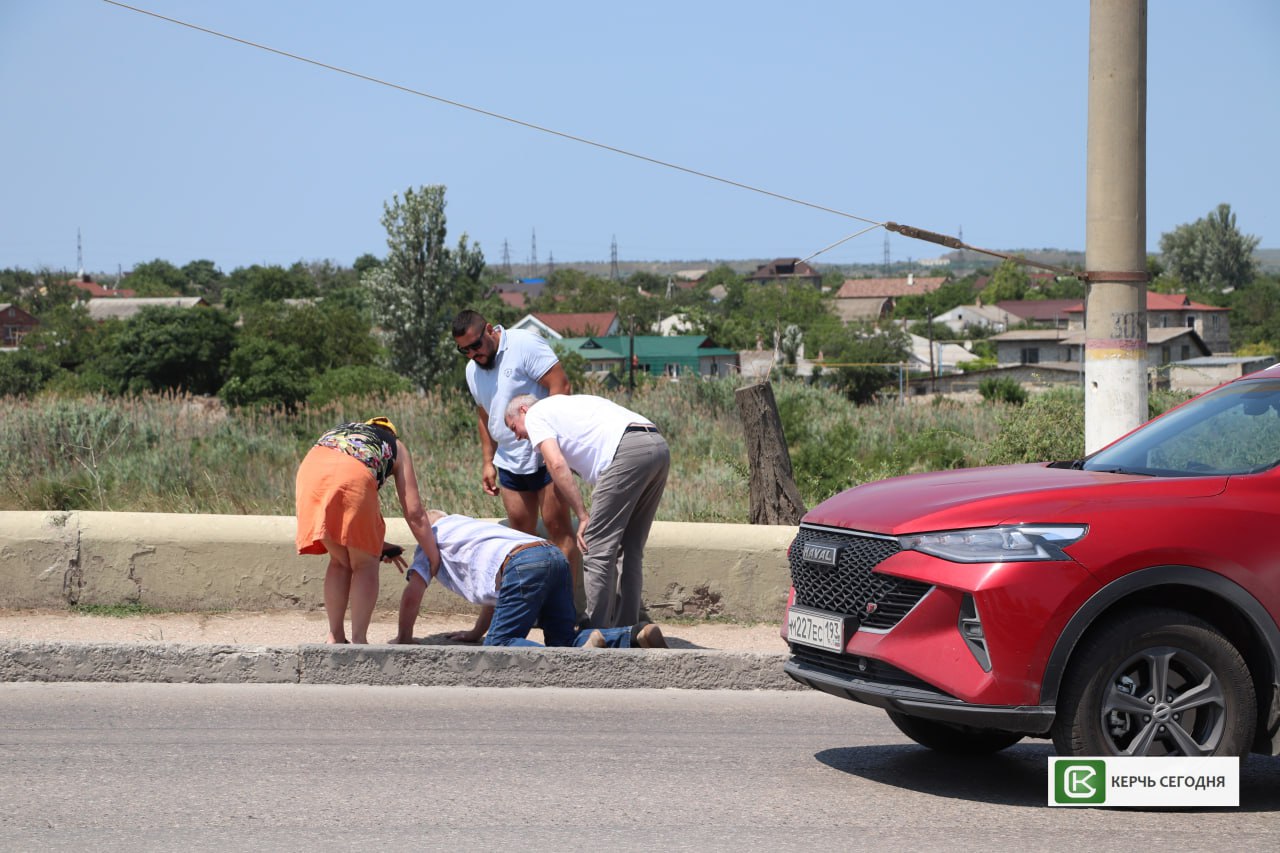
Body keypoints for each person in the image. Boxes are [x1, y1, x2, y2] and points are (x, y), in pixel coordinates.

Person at [450, 309, 578, 641]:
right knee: (517, 542)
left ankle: (566, 615)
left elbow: (560, 385)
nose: (473, 354)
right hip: (509, 460)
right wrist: (487, 461)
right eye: (464, 350)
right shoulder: (472, 371)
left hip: (543, 452)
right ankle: (516, 615)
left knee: (558, 531)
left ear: (489, 331)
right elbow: (484, 414)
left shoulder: (524, 344)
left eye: (476, 345)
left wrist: (547, 435)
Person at [504, 393, 670, 629]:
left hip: (626, 452)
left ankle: (595, 633)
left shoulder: (535, 415)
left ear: (522, 410)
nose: (518, 436)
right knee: (630, 548)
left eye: (513, 427)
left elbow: (557, 464)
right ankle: (628, 632)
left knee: (595, 548)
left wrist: (582, 515)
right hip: (657, 445)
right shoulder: (564, 406)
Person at [393, 510, 667, 649]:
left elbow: (412, 594)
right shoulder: (469, 527)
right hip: (553, 556)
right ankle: (634, 636)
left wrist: (404, 638)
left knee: (499, 645)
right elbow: (497, 594)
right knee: (562, 639)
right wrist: (476, 632)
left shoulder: (432, 538)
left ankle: (566, 661)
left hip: (521, 564)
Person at [295, 416, 440, 644]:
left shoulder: (346, 429)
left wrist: (377, 544)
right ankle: (359, 640)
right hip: (353, 474)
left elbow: (347, 524)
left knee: (339, 561)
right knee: (365, 564)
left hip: (311, 470)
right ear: (393, 434)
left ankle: (335, 636)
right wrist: (433, 557)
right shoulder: (396, 447)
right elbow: (414, 512)